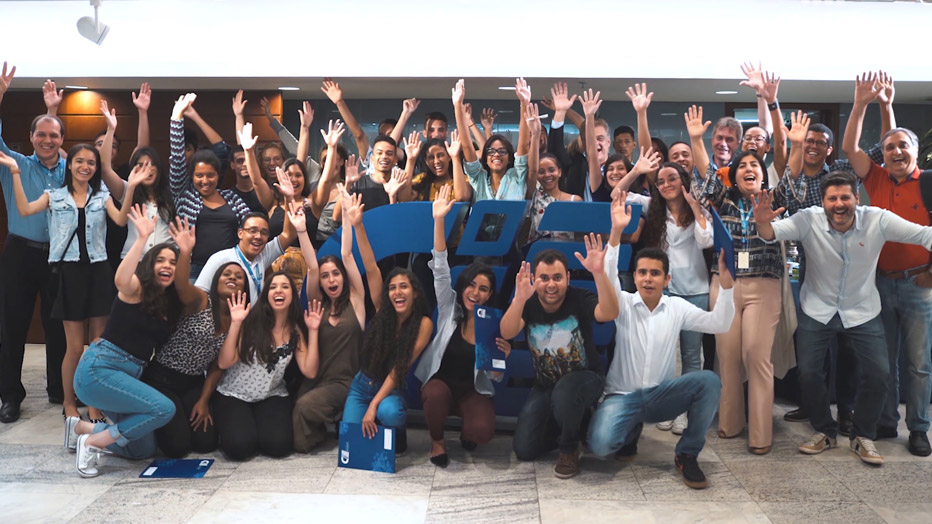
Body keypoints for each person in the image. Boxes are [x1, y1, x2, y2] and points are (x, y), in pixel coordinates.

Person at [753, 170, 932, 465]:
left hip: (862, 309)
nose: (839, 204)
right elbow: (772, 233)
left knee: (879, 374)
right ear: (823, 202)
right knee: (809, 373)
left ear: (856, 198)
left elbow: (924, 235)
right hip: (817, 309)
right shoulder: (809, 219)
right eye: (832, 198)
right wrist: (762, 222)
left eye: (845, 197)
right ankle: (824, 430)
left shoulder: (878, 219)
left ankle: (862, 435)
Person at [587, 191, 735, 489]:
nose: (647, 278)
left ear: (667, 279)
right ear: (636, 276)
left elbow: (719, 323)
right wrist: (616, 232)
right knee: (601, 447)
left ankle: (687, 453)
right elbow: (611, 273)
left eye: (655, 273)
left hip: (660, 397)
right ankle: (629, 433)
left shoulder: (677, 307)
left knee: (709, 382)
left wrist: (728, 288)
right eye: (642, 272)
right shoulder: (623, 303)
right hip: (622, 396)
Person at [7, 144, 142, 429]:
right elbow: (24, 209)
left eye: (91, 163)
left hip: (98, 271)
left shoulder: (102, 196)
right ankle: (69, 402)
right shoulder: (53, 196)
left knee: (97, 345)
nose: (85, 166)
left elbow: (119, 219)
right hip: (69, 273)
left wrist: (131, 188)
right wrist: (16, 173)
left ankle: (93, 402)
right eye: (79, 161)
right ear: (69, 165)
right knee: (73, 347)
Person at [841, 72, 931, 457]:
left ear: (914, 151)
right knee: (885, 360)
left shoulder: (928, 182)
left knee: (917, 363)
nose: (896, 152)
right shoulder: (876, 180)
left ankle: (920, 428)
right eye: (890, 147)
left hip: (919, 286)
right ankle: (886, 422)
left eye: (902, 146)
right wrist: (864, 103)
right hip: (879, 283)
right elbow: (850, 148)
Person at [69, 207, 185, 477]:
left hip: (127, 377)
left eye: (173, 262)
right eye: (161, 260)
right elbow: (121, 279)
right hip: (100, 371)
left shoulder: (168, 303)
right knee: (163, 408)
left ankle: (81, 429)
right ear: (150, 265)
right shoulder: (136, 288)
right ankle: (92, 442)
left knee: (140, 450)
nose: (167, 265)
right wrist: (142, 238)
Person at [500, 237, 620, 479]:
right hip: (545, 385)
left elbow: (609, 312)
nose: (551, 285)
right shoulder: (529, 302)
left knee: (566, 392)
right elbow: (507, 331)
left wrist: (599, 273)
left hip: (586, 378)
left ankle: (569, 448)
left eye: (557, 278)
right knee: (524, 449)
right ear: (535, 279)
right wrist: (519, 299)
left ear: (567, 278)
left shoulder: (579, 298)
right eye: (544, 278)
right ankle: (576, 420)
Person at [416, 186, 510, 467]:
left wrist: (500, 361)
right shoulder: (449, 306)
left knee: (482, 433)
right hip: (441, 383)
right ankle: (437, 442)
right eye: (471, 285)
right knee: (433, 395)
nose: (475, 293)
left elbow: (493, 377)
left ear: (489, 295)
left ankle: (468, 424)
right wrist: (439, 221)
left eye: (483, 289)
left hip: (471, 390)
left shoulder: (491, 322)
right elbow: (441, 267)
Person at [142, 218, 249, 458]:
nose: (232, 278)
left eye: (238, 276)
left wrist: (203, 400)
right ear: (216, 280)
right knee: (178, 448)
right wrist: (186, 252)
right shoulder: (200, 301)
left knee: (206, 443)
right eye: (226, 274)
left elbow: (218, 366)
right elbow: (180, 286)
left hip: (192, 382)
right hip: (162, 378)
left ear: (244, 286)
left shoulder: (239, 320)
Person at [622, 162, 713, 435]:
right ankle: (667, 407)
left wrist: (695, 207)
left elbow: (706, 241)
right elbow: (618, 191)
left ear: (683, 180)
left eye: (671, 178)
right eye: (660, 181)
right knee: (662, 353)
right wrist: (637, 171)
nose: (665, 185)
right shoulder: (652, 207)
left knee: (691, 356)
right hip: (665, 292)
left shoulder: (701, 208)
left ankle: (684, 411)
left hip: (696, 291)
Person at [704, 151, 785, 454]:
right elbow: (707, 177)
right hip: (724, 282)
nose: (749, 169)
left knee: (755, 355)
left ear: (764, 174)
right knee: (727, 356)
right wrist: (698, 140)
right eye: (742, 166)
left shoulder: (775, 200)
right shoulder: (723, 199)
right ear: (733, 174)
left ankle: (761, 434)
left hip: (763, 284)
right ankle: (730, 423)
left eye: (755, 165)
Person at [0, 62, 67, 422]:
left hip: (58, 255)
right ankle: (10, 395)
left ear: (61, 140)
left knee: (58, 325)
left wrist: (53, 109)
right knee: (12, 325)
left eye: (54, 135)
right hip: (19, 255)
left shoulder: (70, 168)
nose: (47, 140)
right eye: (41, 135)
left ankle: (58, 388)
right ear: (31, 138)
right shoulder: (15, 163)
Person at [292, 189, 374, 453]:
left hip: (348, 382)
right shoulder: (318, 305)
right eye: (326, 277)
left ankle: (335, 421)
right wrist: (302, 231)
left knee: (305, 408)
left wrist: (349, 219)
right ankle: (326, 429)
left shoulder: (357, 302)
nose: (330, 280)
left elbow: (348, 255)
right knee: (294, 415)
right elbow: (313, 267)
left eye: (335, 274)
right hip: (318, 380)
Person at [213, 270, 318, 460]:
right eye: (273, 287)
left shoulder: (295, 330)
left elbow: (309, 371)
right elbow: (224, 361)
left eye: (285, 287)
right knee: (240, 448)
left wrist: (314, 331)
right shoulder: (250, 321)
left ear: (293, 295)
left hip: (271, 394)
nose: (279, 291)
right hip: (234, 393)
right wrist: (236, 323)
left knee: (278, 446)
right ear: (266, 294)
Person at [341, 260, 433, 454]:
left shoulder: (424, 324)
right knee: (352, 445)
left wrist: (373, 405)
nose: (397, 292)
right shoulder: (382, 311)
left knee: (389, 412)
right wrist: (358, 227)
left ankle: (395, 433)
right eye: (392, 288)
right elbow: (371, 268)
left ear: (415, 293)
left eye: (404, 287)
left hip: (391, 390)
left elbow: (400, 368)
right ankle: (375, 421)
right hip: (362, 386)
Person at [169, 93, 252, 279]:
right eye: (199, 175)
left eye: (210, 175)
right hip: (192, 270)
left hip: (229, 269)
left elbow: (250, 224)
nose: (205, 181)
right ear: (192, 175)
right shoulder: (184, 194)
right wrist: (177, 117)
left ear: (218, 175)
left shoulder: (231, 198)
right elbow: (176, 157)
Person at [98, 100, 176, 261]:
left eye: (151, 164)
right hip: (134, 260)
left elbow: (143, 145)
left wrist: (142, 112)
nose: (146, 169)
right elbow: (105, 168)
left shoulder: (172, 192)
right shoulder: (127, 189)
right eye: (140, 165)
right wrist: (110, 129)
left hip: (165, 260)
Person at [193, 208, 296, 305]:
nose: (258, 236)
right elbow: (199, 294)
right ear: (240, 233)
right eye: (252, 231)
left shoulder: (262, 255)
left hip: (251, 321)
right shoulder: (220, 259)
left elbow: (288, 235)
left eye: (264, 233)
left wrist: (288, 197)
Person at [452, 78, 531, 201]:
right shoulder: (479, 178)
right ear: (486, 158)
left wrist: (524, 104)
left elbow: (524, 145)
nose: (496, 155)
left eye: (502, 151)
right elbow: (467, 146)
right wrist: (457, 107)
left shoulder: (517, 176)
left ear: (509, 157)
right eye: (491, 151)